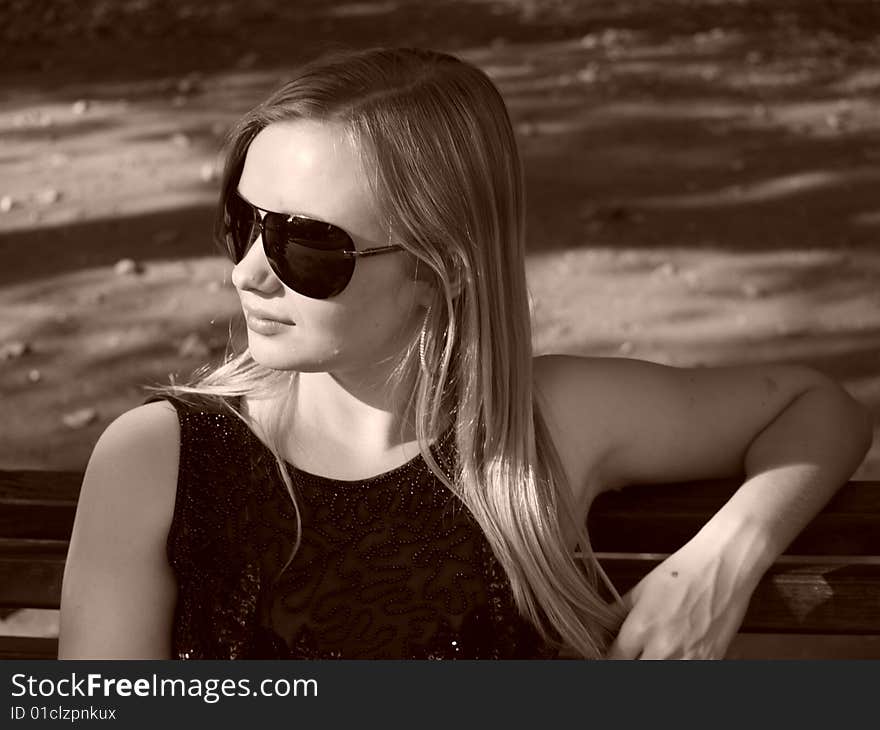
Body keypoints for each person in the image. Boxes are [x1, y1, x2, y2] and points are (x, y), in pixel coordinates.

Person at [58, 47, 872, 660]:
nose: (247, 272)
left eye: (303, 243)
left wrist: (723, 561)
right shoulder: (160, 458)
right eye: (243, 221)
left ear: (439, 269)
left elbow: (819, 407)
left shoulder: (546, 427)